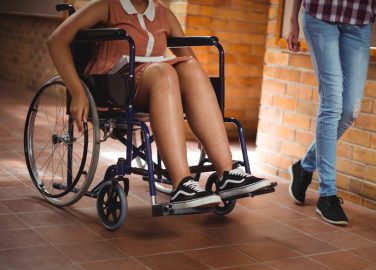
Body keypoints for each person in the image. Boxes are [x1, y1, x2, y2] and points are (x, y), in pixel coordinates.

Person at [47, 0, 271, 209]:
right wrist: (76, 90)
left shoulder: (163, 13)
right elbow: (56, 41)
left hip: (154, 82)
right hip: (113, 85)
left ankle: (227, 174)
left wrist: (203, 110)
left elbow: (189, 63)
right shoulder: (108, 5)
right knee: (164, 72)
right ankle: (182, 183)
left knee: (191, 68)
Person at [287, 0, 376, 225]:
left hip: (359, 22)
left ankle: (305, 166)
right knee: (331, 105)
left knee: (349, 110)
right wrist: (292, 21)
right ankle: (327, 195)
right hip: (320, 14)